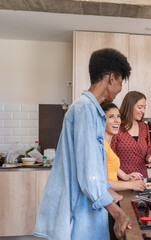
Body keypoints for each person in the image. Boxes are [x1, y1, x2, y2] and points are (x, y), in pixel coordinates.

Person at [34, 48, 132, 240]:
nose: (120, 89)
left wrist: (111, 192)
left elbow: (92, 168)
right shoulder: (84, 109)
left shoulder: (91, 111)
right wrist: (117, 213)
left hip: (84, 208)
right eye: (121, 82)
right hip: (78, 212)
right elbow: (89, 175)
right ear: (112, 78)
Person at [101, 101, 146, 192]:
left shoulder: (106, 144)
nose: (117, 120)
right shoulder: (101, 147)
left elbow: (110, 165)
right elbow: (104, 183)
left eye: (118, 116)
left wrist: (126, 176)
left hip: (112, 194)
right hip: (107, 197)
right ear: (101, 120)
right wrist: (131, 184)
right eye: (111, 117)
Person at [111, 91, 151, 178]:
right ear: (129, 107)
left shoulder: (144, 127)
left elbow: (148, 151)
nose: (143, 111)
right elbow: (110, 158)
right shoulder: (117, 128)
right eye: (140, 107)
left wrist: (150, 158)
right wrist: (125, 176)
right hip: (122, 179)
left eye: (144, 107)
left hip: (142, 179)